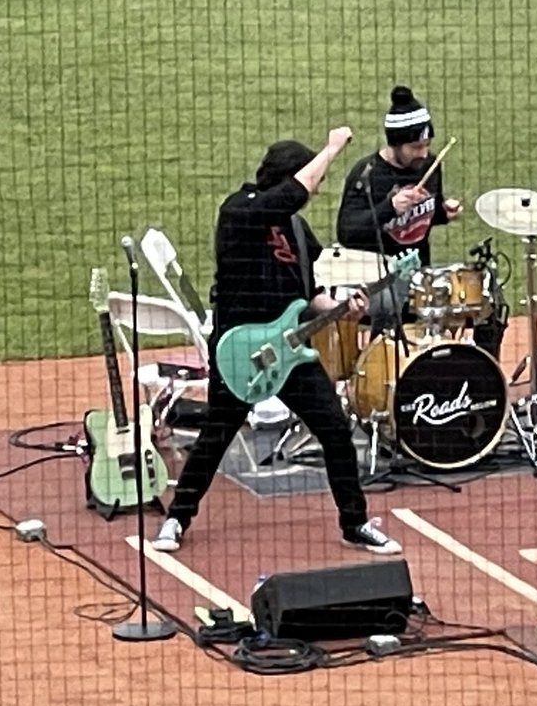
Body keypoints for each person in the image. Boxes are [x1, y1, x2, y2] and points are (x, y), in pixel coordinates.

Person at [151, 127, 402, 555]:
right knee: (217, 435)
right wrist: (332, 148)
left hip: (289, 351)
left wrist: (342, 305)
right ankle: (177, 518)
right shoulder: (239, 212)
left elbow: (307, 293)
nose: (313, 190)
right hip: (240, 350)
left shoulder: (298, 231)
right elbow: (293, 193)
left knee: (335, 430)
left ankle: (355, 523)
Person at [336, 86, 507, 359]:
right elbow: (347, 232)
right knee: (392, 305)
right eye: (415, 146)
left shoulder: (429, 166)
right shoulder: (368, 176)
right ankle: (381, 375)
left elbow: (422, 215)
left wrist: (441, 212)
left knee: (488, 298)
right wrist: (389, 207)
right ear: (395, 143)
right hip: (378, 281)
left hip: (419, 276)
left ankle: (485, 376)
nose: (423, 153)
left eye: (426, 145)